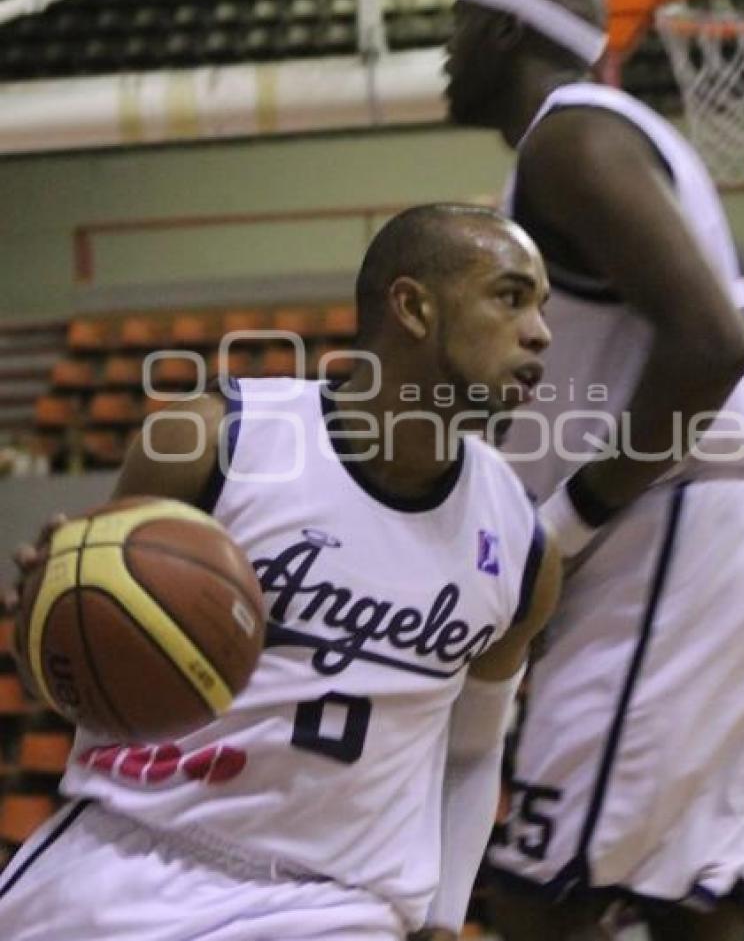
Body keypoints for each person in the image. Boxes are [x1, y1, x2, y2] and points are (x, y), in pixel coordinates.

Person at [0, 203, 561, 941]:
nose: (541, 332)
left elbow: (473, 749)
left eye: (542, 307)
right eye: (511, 296)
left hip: (337, 905)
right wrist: (52, 617)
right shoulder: (211, 441)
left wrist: (444, 916)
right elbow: (70, 686)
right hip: (123, 861)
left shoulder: (522, 543)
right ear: (413, 307)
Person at [445, 0, 744, 941]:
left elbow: (708, 347)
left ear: (503, 32)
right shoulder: (593, 145)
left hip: (695, 524)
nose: (441, 57)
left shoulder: (568, 141)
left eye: (456, 28)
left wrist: (566, 519)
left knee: (539, 895)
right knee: (696, 899)